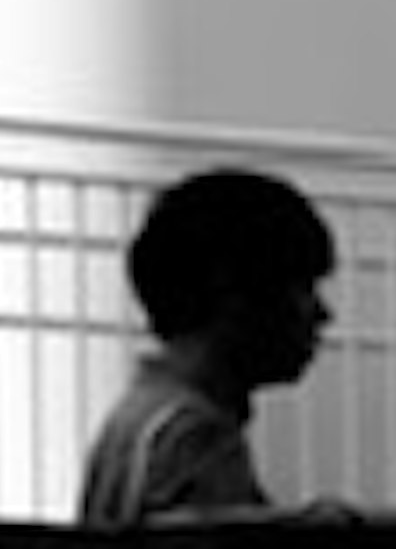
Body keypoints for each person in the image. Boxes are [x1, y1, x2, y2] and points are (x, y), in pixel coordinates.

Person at [78, 167, 352, 526]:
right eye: (302, 288)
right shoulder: (194, 438)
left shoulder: (137, 420)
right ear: (233, 292)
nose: (322, 314)